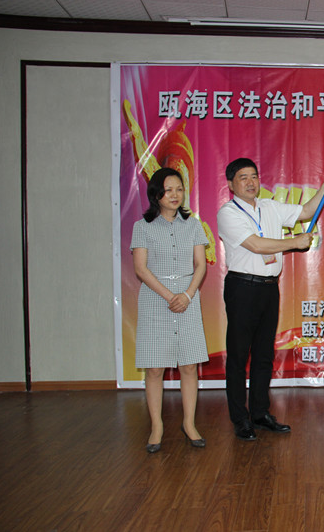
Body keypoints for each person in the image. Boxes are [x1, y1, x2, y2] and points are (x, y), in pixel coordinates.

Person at [217, 158, 324, 440]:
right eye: (243, 178)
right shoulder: (228, 213)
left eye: (254, 176)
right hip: (242, 287)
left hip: (269, 288)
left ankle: (260, 413)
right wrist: (294, 242)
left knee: (264, 354)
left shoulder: (270, 207)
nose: (251, 182)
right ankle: (240, 418)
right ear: (231, 185)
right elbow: (256, 244)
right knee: (238, 355)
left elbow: (307, 211)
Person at [131, 167, 210, 453]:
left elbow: (200, 265)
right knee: (155, 368)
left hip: (188, 299)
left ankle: (189, 424)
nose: (175, 195)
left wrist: (186, 296)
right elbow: (141, 269)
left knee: (189, 365)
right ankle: (157, 426)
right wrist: (170, 296)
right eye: (168, 190)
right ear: (156, 194)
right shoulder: (143, 227)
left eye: (179, 189)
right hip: (156, 300)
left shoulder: (193, 225)